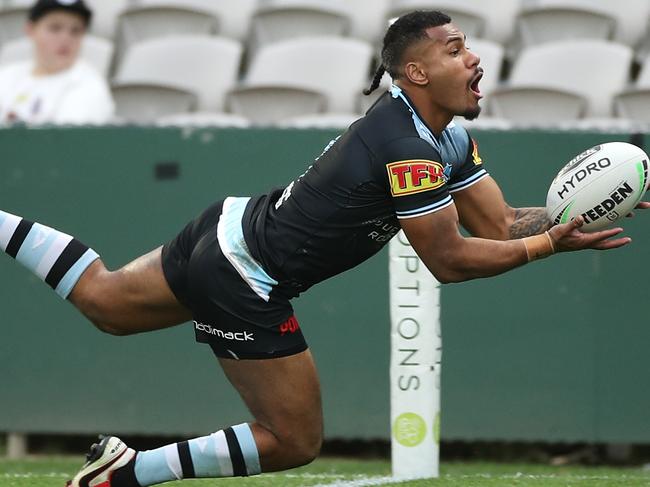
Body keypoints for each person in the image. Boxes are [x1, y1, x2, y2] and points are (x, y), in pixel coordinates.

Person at [0, 10, 642, 487]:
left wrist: (568, 215)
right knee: (293, 440)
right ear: (415, 71)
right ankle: (127, 476)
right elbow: (449, 260)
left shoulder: (443, 137)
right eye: (455, 49)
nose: (475, 58)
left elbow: (500, 224)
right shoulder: (408, 143)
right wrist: (547, 248)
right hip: (245, 276)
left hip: (228, 229)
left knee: (105, 302)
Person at [0, 0, 114, 125]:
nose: (65, 38)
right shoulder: (6, 76)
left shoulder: (90, 86)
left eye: (75, 31)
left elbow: (61, 142)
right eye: (55, 28)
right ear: (30, 29)